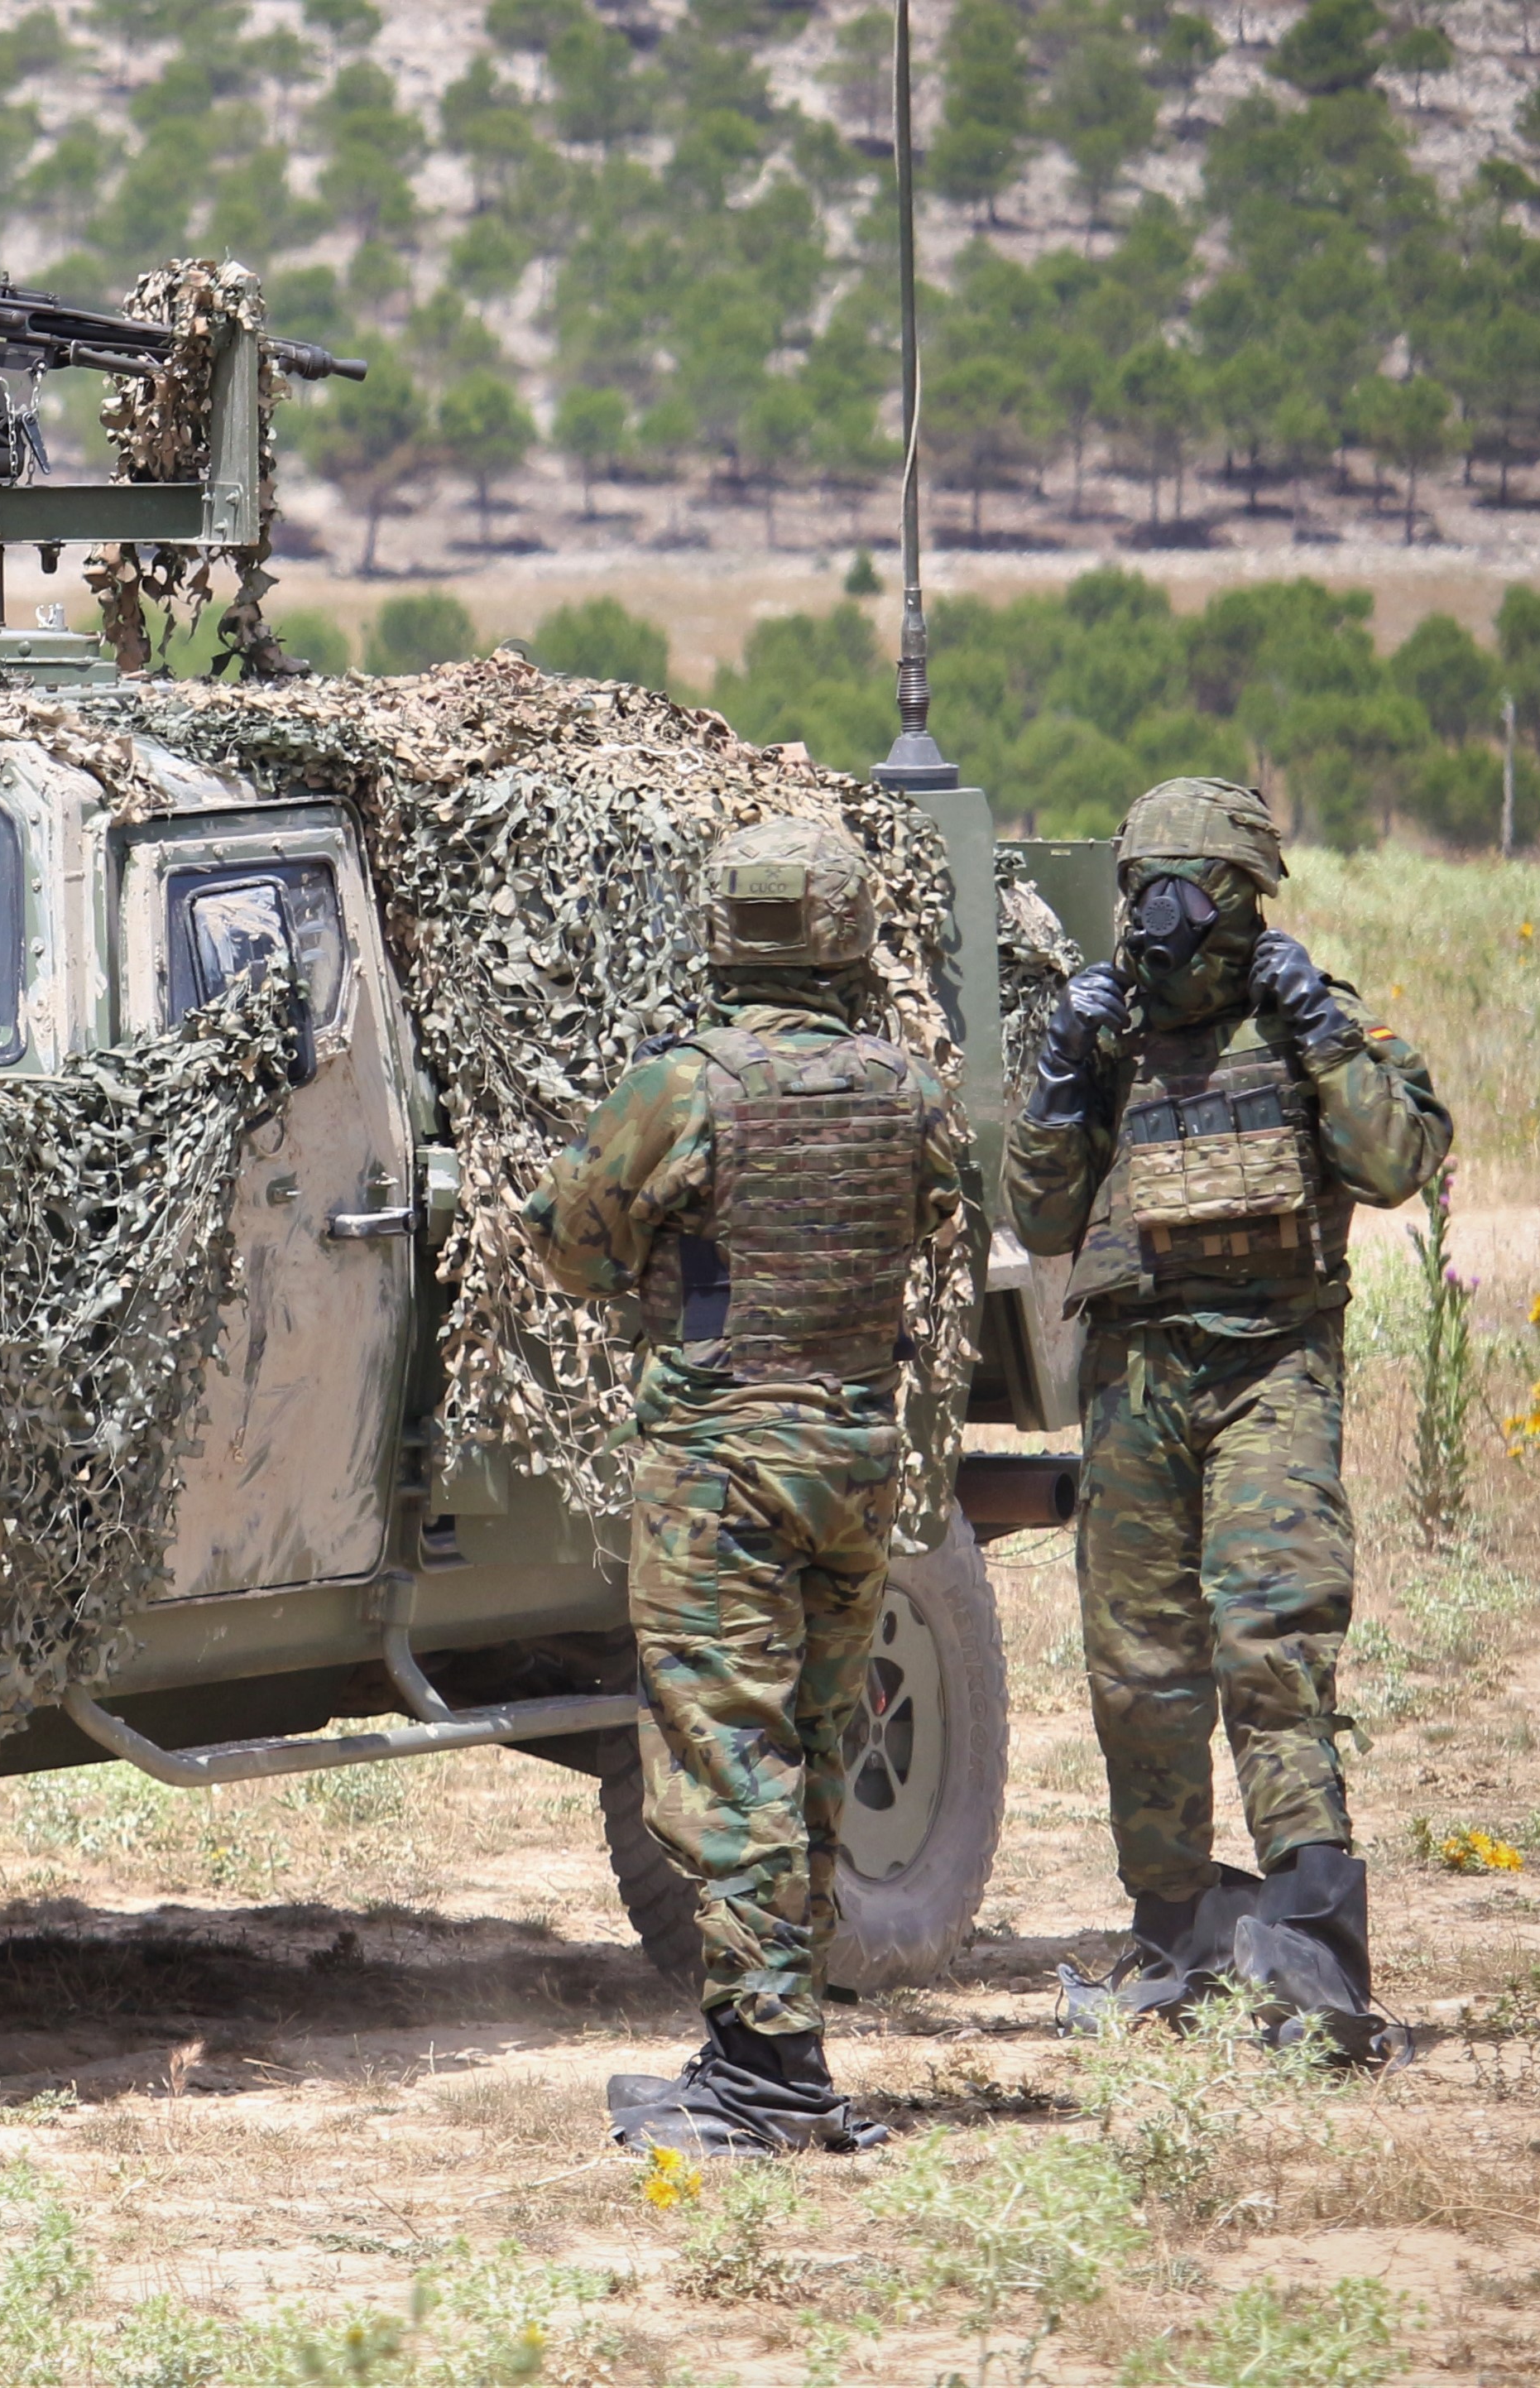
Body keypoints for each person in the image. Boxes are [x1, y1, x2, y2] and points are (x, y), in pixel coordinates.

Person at [522, 814, 966, 2156]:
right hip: (853, 1461)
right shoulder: (907, 1090)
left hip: (724, 1467)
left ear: (723, 933)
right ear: (850, 936)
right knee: (812, 1750)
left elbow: (569, 1242)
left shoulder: (684, 1088)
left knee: (729, 1760)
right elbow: (939, 1214)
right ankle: (770, 2049)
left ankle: (766, 2072)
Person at [1010, 778, 1447, 2065]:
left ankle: (1313, 1951)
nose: (1166, 921)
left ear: (1245, 901)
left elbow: (1397, 1161)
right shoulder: (1110, 1041)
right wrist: (1059, 1070)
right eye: (1146, 894)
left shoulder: (1312, 1022)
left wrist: (1321, 1032)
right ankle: (1179, 1941)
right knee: (1140, 1670)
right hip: (1138, 1373)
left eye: (1189, 894)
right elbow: (1040, 1218)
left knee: (1272, 1643)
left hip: (1272, 1371)